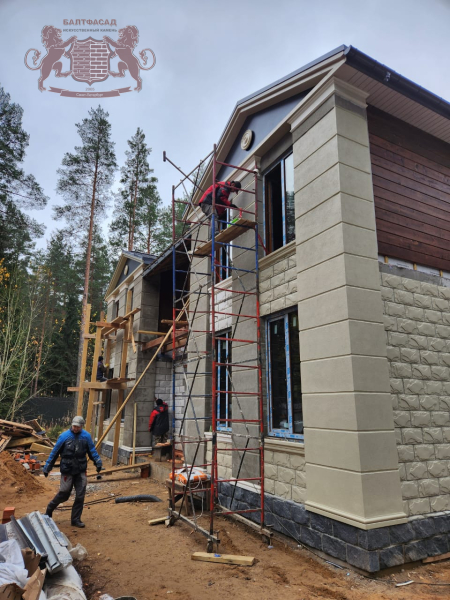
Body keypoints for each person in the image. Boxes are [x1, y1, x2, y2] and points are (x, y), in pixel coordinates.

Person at [43, 416, 102, 528]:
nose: (75, 428)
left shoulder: (86, 436)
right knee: (64, 493)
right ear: (72, 425)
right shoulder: (64, 436)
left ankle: (76, 519)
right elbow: (54, 452)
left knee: (80, 495)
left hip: (80, 469)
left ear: (81, 426)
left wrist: (98, 462)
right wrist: (47, 467)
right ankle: (49, 509)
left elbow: (92, 451)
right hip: (67, 469)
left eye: (78, 427)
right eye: (74, 426)